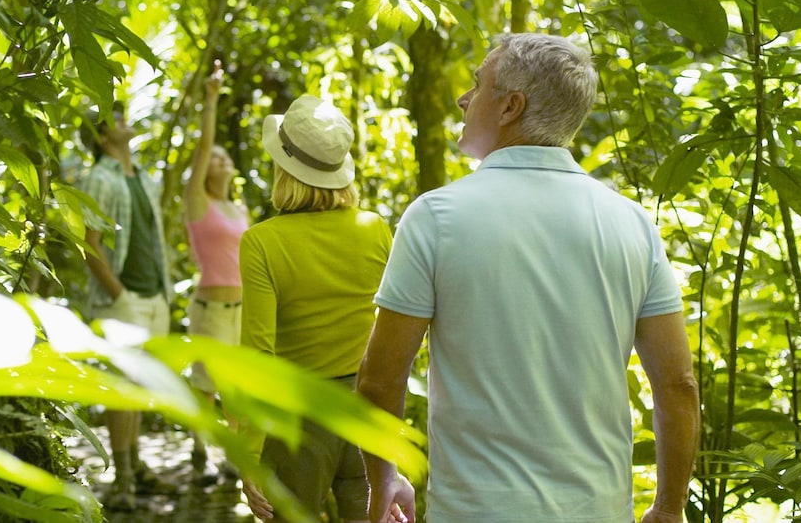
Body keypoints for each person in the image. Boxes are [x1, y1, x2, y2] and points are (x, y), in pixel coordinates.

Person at [356, 33, 700, 523]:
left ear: (510, 107)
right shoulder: (631, 223)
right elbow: (678, 383)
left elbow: (379, 378)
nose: (463, 98)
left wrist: (384, 479)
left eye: (477, 85)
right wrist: (669, 509)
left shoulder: (436, 216)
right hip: (598, 511)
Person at [239, 94, 392, 522]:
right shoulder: (374, 228)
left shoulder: (262, 242)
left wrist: (248, 452)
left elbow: (257, 353)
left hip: (297, 420)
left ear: (283, 168)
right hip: (365, 410)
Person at [77, 100, 173, 511]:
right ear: (101, 137)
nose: (123, 121)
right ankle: (122, 482)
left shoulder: (144, 179)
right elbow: (89, 243)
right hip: (124, 300)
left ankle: (134, 469)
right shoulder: (100, 177)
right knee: (122, 390)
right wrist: (120, 295)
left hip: (155, 296)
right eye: (113, 120)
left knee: (140, 388)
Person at [184, 60, 249, 413]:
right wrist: (211, 99)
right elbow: (203, 148)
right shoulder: (198, 202)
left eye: (226, 158)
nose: (221, 161)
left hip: (242, 309)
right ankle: (202, 452)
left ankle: (235, 464)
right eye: (215, 158)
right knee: (208, 385)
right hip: (211, 310)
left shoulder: (239, 210)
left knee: (237, 390)